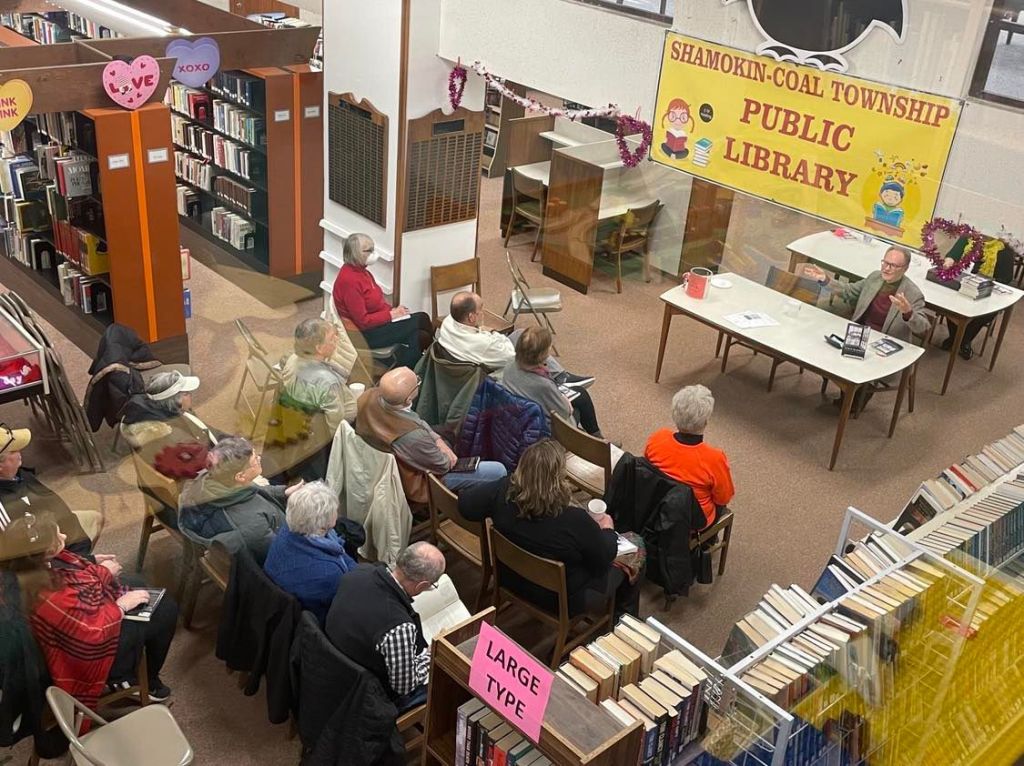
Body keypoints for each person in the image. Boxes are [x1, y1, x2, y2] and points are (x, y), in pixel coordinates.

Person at [0, 515, 178, 710]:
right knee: (166, 610)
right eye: (58, 537)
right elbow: (93, 633)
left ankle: (130, 671)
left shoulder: (22, 568)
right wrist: (121, 605)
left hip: (62, 632)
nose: (64, 536)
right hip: (75, 655)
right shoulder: (49, 596)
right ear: (47, 553)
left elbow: (66, 572)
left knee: (138, 584)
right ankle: (133, 678)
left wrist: (92, 562)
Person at [459, 439, 640, 618]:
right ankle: (623, 620)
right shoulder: (575, 521)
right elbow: (603, 560)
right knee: (637, 544)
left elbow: (466, 505)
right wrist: (607, 530)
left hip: (510, 579)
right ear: (558, 480)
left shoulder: (503, 491)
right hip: (559, 602)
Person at [325, 541, 445, 713]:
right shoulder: (399, 627)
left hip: (336, 668)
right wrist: (431, 654)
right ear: (421, 585)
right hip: (370, 695)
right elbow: (405, 686)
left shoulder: (359, 572)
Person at [355, 367, 507, 502]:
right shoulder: (412, 437)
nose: (418, 381)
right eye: (417, 382)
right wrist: (445, 452)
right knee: (497, 470)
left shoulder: (368, 396)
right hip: (419, 480)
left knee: (447, 433)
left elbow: (415, 420)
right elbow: (443, 465)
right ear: (408, 399)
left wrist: (437, 440)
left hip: (383, 463)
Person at [805, 246, 929, 408]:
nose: (886, 268)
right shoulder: (874, 278)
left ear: (905, 269)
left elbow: (924, 328)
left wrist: (908, 312)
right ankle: (849, 393)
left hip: (886, 344)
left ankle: (854, 398)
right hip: (860, 333)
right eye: (885, 262)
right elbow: (849, 291)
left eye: (893, 265)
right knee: (826, 351)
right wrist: (825, 280)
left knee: (857, 366)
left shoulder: (913, 293)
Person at [436, 291, 593, 389]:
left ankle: (561, 375)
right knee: (529, 345)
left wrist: (491, 335)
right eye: (480, 310)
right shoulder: (484, 345)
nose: (483, 313)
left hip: (474, 355)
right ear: (471, 317)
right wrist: (495, 335)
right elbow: (513, 356)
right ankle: (561, 380)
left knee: (520, 333)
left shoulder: (449, 322)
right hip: (493, 373)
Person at [178, 436, 296, 561]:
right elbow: (282, 555)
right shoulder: (252, 525)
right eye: (254, 460)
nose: (259, 458)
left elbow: (253, 491)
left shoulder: (215, 482)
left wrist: (283, 492)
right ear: (240, 476)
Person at [332, 232, 434, 369]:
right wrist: (391, 315)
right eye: (368, 250)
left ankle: (411, 370)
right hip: (366, 335)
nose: (373, 253)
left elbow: (377, 303)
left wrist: (394, 311)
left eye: (373, 249)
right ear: (354, 254)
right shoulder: (349, 281)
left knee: (419, 336)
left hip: (378, 325)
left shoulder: (364, 272)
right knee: (421, 318)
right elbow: (363, 322)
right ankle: (433, 361)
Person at [263, 481, 358, 626]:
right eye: (335, 511)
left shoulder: (289, 527)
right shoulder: (328, 572)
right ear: (322, 527)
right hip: (319, 619)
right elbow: (346, 601)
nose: (337, 514)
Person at [644, 384, 734, 529]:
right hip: (692, 521)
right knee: (721, 505)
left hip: (657, 506)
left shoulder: (657, 438)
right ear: (705, 421)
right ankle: (708, 539)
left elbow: (646, 471)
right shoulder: (715, 458)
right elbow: (723, 498)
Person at [0, 425, 93, 555]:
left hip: (64, 538)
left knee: (93, 518)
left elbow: (57, 507)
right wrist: (83, 562)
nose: (20, 451)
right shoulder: (5, 511)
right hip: (52, 556)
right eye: (13, 450)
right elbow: (29, 559)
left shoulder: (20, 475)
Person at [500, 326, 603, 436]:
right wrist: (565, 401)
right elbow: (566, 412)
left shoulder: (510, 365)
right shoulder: (544, 385)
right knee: (578, 406)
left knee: (581, 393)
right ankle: (597, 441)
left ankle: (598, 439)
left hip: (519, 416)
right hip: (541, 431)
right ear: (543, 355)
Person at [120, 371, 219, 480]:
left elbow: (205, 430)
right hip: (198, 479)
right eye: (186, 393)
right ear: (174, 401)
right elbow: (201, 467)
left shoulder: (162, 412)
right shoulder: (173, 436)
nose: (191, 395)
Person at [939, 237, 1016, 360]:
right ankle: (954, 337)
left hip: (986, 292)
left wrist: (985, 281)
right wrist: (949, 261)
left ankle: (964, 340)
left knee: (987, 312)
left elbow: (1006, 278)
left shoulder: (1004, 249)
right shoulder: (967, 239)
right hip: (961, 285)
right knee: (949, 300)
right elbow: (953, 255)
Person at [280, 318, 357, 432]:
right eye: (332, 338)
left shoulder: (292, 359)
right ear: (319, 348)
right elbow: (335, 425)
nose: (337, 339)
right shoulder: (328, 382)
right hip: (338, 428)